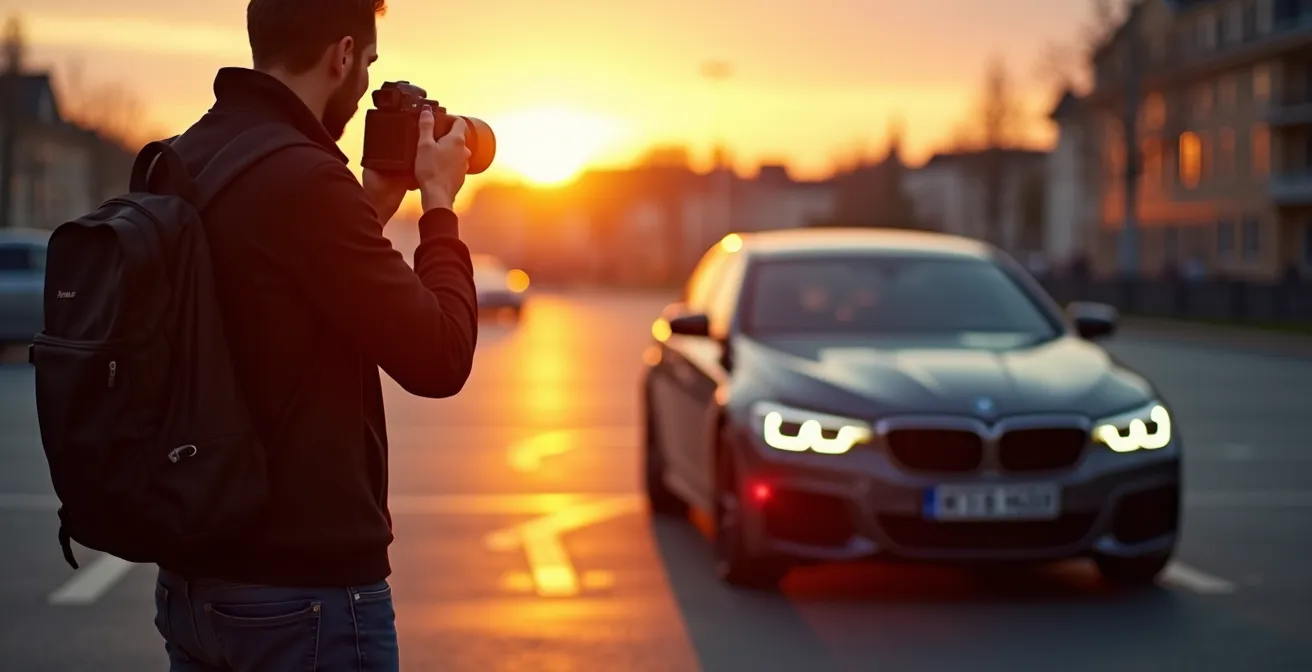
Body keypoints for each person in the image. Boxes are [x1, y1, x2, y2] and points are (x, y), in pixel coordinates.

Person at [150, 1, 478, 669]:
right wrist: (439, 208)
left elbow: (273, 305)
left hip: (193, 587)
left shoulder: (184, 157)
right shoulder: (307, 180)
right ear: (344, 54)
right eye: (369, 64)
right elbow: (441, 357)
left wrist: (370, 207)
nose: (363, 89)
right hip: (300, 599)